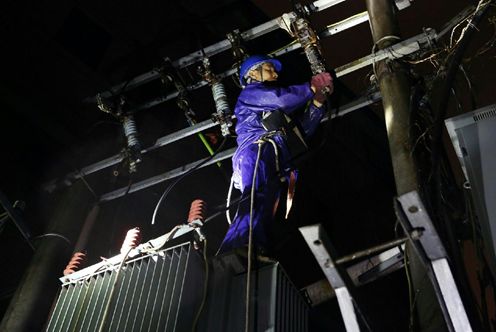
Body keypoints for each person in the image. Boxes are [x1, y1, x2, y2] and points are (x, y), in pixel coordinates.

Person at [218, 55, 333, 254]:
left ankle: (254, 248)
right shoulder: (251, 94)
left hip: (273, 160)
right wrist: (311, 87)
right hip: (256, 152)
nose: (275, 73)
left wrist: (317, 103)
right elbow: (281, 99)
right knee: (256, 199)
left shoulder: (273, 112)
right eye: (270, 68)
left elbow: (301, 132)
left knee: (266, 207)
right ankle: (236, 247)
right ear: (253, 73)